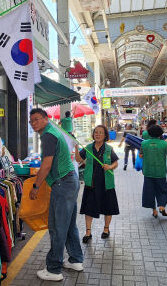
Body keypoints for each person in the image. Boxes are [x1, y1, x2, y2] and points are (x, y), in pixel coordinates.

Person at [28, 108, 84, 281]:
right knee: (68, 225)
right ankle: (75, 260)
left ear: (46, 119)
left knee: (57, 227)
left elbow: (46, 165)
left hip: (63, 183)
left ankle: (53, 269)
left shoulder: (48, 135)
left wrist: (36, 186)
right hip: (70, 181)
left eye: (37, 119)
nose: (33, 123)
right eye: (31, 121)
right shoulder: (54, 132)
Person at [74, 125, 120, 243]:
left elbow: (115, 163)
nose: (97, 134)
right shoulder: (88, 148)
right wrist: (76, 148)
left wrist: (110, 166)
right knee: (89, 208)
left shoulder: (109, 149)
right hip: (91, 183)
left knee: (108, 207)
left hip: (106, 183)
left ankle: (106, 229)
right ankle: (88, 232)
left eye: (100, 132)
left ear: (105, 135)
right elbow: (79, 159)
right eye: (96, 132)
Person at [139, 125, 167, 218]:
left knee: (150, 191)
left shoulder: (144, 143)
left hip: (148, 172)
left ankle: (154, 211)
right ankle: (162, 206)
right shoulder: (163, 143)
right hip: (160, 172)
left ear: (149, 133)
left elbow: (141, 156)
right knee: (162, 190)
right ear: (160, 134)